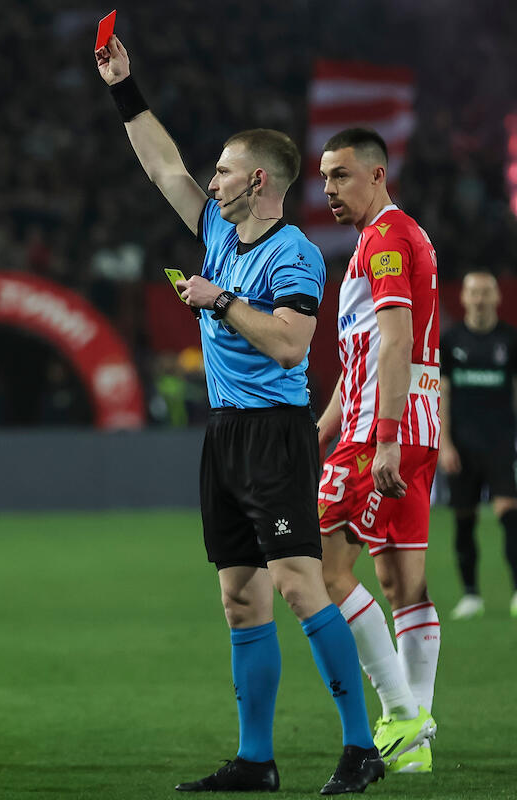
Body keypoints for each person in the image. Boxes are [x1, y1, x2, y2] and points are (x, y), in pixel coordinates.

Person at [95, 35, 382, 794]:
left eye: (222, 170)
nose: (210, 180)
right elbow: (164, 167)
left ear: (257, 181)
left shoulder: (294, 255)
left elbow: (289, 346)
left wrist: (219, 299)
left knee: (300, 584)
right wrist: (125, 88)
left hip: (276, 433)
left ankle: (361, 747)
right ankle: (257, 760)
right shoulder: (219, 230)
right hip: (224, 433)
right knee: (240, 598)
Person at [314, 128, 441, 775]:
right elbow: (363, 355)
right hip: (413, 421)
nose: (329, 189)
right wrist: (320, 429)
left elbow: (394, 341)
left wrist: (383, 436)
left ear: (377, 174)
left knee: (322, 568)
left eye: (340, 175)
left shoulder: (387, 240)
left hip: (381, 430)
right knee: (402, 584)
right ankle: (414, 747)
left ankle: (400, 711)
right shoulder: (391, 237)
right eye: (325, 177)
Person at [438, 271, 517, 619]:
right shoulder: (450, 340)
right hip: (462, 446)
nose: (480, 299)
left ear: (497, 297)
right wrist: (445, 444)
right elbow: (442, 394)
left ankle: (516, 591)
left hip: (500, 442)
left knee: (509, 513)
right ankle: (471, 595)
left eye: (486, 292)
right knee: (464, 518)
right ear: (464, 298)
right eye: (474, 292)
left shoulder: (510, 340)